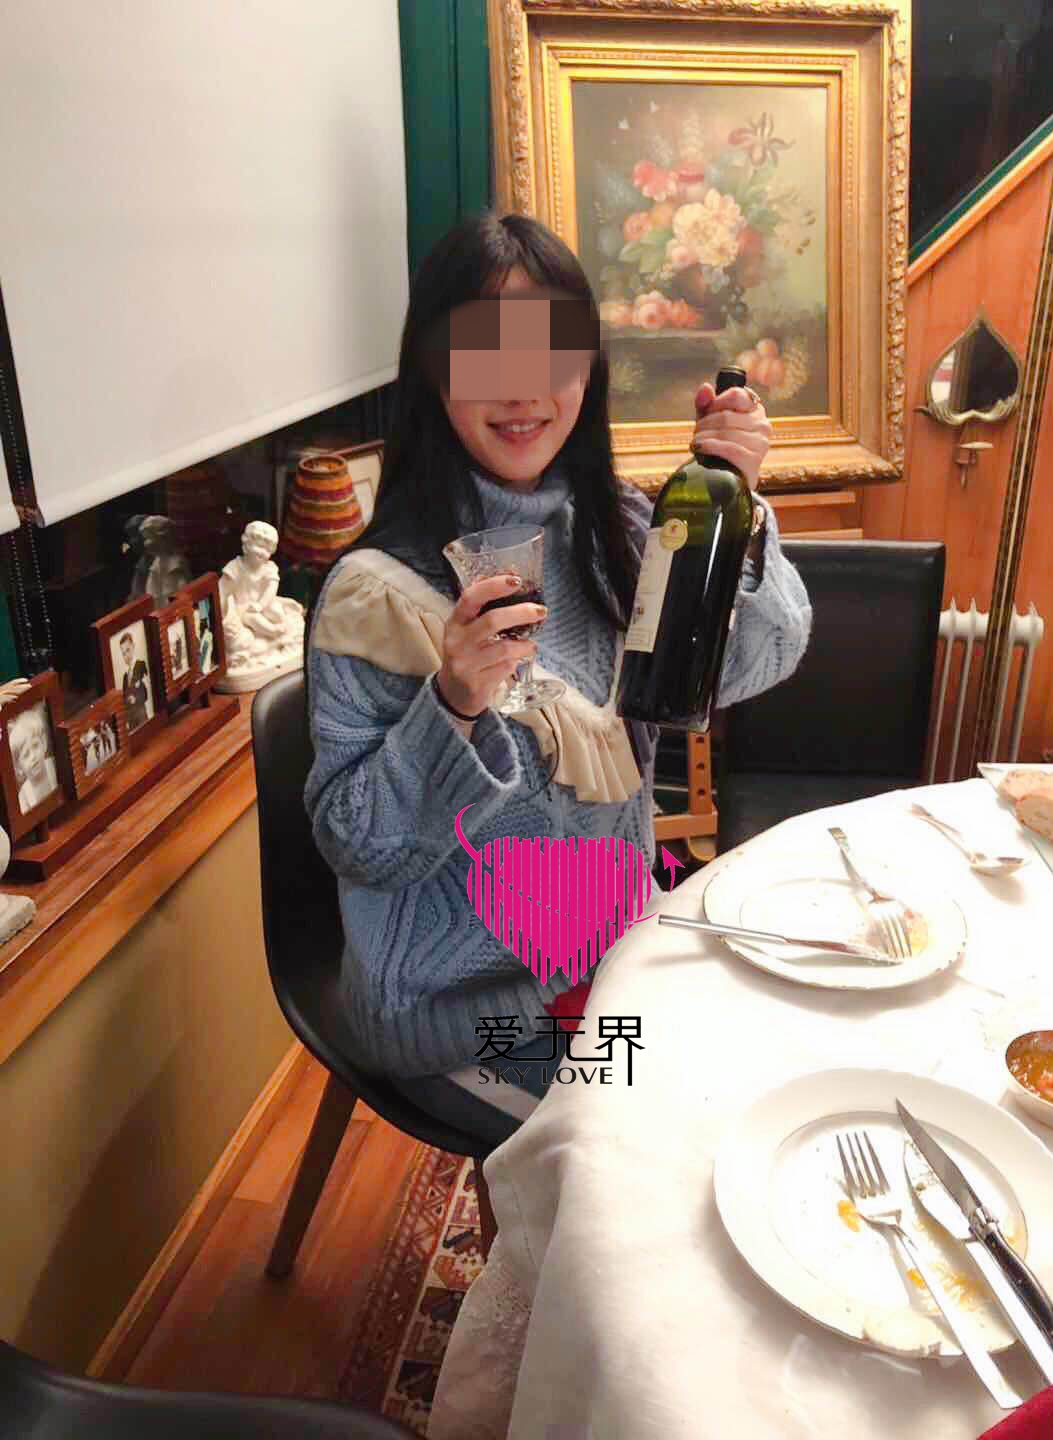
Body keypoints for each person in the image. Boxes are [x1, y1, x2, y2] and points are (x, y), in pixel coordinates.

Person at [304, 212, 812, 1149]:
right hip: (464, 1016)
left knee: (773, 1096)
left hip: (611, 960)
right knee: (662, 1163)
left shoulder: (620, 529)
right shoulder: (375, 594)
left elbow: (756, 662)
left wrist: (737, 500)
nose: (522, 390)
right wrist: (452, 705)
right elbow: (359, 845)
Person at [219, 521, 305, 686]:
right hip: (244, 608)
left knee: (277, 611)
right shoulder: (235, 568)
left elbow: (271, 590)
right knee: (252, 619)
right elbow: (221, 592)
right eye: (257, 547)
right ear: (246, 546)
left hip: (264, 604)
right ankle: (273, 632)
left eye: (266, 550)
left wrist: (261, 605)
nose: (261, 553)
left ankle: (280, 632)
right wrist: (224, 615)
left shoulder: (269, 568)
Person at [9, 705, 58, 815]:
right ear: (19, 767)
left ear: (44, 743)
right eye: (26, 755)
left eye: (35, 746)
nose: (33, 756)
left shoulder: (55, 765)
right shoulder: (23, 797)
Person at [118, 631, 151, 731]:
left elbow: (146, 692)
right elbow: (124, 698)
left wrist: (135, 698)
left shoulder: (141, 665)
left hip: (141, 716)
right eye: (123, 653)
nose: (126, 656)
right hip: (131, 720)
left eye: (128, 650)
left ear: (133, 646)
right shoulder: (125, 677)